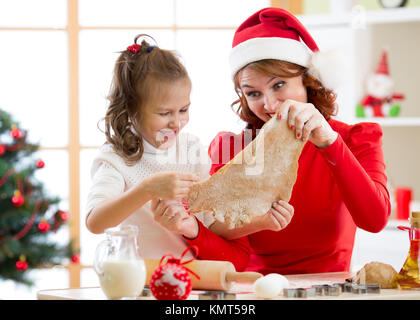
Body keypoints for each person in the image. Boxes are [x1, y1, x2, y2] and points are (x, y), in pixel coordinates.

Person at [152, 8, 391, 274]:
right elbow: (232, 257)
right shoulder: (234, 149)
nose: (269, 105)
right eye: (253, 93)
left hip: (329, 289)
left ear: (308, 81)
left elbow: (375, 219)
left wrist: (328, 141)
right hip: (257, 291)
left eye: (279, 85)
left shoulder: (354, 139)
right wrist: (191, 229)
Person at [85, 34, 234, 260]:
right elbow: (95, 221)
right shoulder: (115, 158)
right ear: (131, 111)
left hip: (190, 278)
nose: (176, 122)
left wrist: (260, 221)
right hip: (138, 281)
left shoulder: (191, 148)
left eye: (183, 110)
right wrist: (147, 189)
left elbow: (211, 223)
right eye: (164, 113)